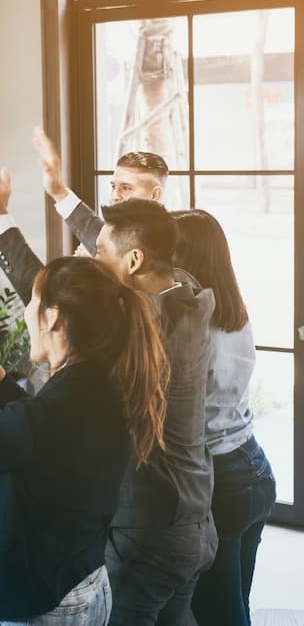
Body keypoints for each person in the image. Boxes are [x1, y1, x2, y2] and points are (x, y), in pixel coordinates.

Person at [0, 143, 217, 625]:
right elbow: (118, 247)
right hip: (193, 516)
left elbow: (64, 300)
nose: (93, 261)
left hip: (149, 532)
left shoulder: (141, 326)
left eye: (99, 255)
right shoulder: (183, 290)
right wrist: (59, 194)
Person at [0, 257, 168, 625]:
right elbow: (38, 425)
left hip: (42, 603)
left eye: (32, 302)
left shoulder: (51, 412)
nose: (26, 314)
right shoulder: (98, 384)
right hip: (85, 582)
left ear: (53, 316)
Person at [175, 209, 277, 626]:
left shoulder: (192, 325)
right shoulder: (236, 311)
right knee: (236, 605)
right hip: (254, 467)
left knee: (217, 612)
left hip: (220, 480)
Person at [33, 127, 168, 256]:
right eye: (113, 187)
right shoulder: (110, 238)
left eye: (126, 188)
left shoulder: (169, 246)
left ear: (155, 195)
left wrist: (97, 267)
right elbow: (91, 228)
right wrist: (58, 190)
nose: (115, 196)